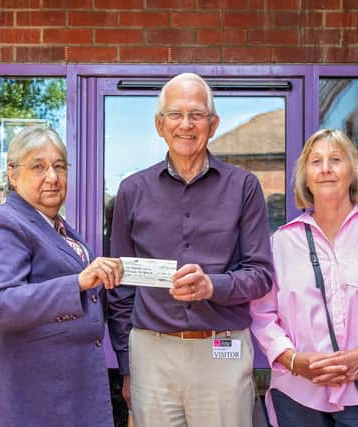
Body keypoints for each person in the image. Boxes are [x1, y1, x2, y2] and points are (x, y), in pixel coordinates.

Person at [108, 72, 274, 427]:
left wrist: (211, 286)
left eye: (196, 114)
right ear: (159, 124)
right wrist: (126, 364)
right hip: (151, 353)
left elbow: (261, 275)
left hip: (222, 351)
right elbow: (122, 289)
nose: (186, 124)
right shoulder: (131, 191)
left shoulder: (244, 187)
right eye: (175, 114)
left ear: (213, 125)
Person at [250, 128, 358, 427]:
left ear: (353, 172)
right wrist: (293, 360)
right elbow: (262, 314)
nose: (326, 169)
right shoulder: (281, 242)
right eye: (315, 161)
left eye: (336, 159)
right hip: (298, 395)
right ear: (305, 178)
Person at [0, 125, 123, 427]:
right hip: (27, 399)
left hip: (64, 394)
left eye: (59, 166)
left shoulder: (59, 227)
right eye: (38, 166)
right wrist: (78, 283)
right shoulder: (3, 224)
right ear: (13, 175)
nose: (52, 177)